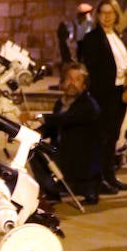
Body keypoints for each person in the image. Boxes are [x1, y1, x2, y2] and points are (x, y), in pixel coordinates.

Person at [80, 0, 127, 194]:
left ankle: (110, 176)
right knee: (102, 138)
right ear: (97, 15)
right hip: (104, 94)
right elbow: (94, 68)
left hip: (120, 92)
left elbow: (121, 62)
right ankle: (99, 179)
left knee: (113, 137)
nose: (107, 16)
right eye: (103, 12)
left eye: (111, 12)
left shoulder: (118, 35)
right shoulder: (92, 38)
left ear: (117, 14)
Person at [39, 62, 101, 205]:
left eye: (77, 79)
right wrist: (37, 133)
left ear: (84, 85)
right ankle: (52, 191)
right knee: (34, 149)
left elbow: (66, 119)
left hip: (80, 158)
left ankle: (87, 191)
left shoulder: (88, 104)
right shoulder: (60, 103)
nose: (72, 83)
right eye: (69, 79)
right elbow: (54, 126)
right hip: (60, 151)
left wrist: (40, 117)